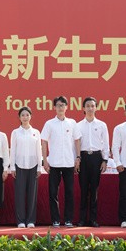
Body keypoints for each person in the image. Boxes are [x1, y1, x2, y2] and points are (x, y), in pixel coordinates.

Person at [41, 96, 81, 227]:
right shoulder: (49, 124)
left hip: (69, 162)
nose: (60, 107)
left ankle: (68, 219)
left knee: (69, 192)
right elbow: (44, 141)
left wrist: (78, 157)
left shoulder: (72, 123)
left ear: (66, 107)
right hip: (54, 163)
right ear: (54, 107)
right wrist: (45, 161)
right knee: (53, 193)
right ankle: (55, 220)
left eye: (63, 105)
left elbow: (77, 140)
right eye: (58, 105)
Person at [76, 97, 110, 227]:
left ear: (96, 108)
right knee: (84, 190)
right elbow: (75, 144)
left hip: (96, 158)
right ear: (83, 108)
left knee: (94, 189)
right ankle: (82, 219)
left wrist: (105, 160)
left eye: (92, 106)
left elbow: (106, 144)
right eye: (88, 106)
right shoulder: (78, 125)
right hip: (83, 158)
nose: (90, 108)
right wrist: (76, 160)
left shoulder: (102, 125)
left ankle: (93, 219)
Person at [9, 106, 42, 228]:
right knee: (20, 194)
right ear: (19, 117)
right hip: (19, 165)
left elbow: (39, 150)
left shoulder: (36, 132)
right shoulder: (15, 132)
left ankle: (31, 220)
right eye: (22, 115)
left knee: (32, 195)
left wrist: (39, 167)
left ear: (30, 116)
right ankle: (21, 221)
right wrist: (12, 167)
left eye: (27, 115)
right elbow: (13, 150)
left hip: (33, 165)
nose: (25, 117)